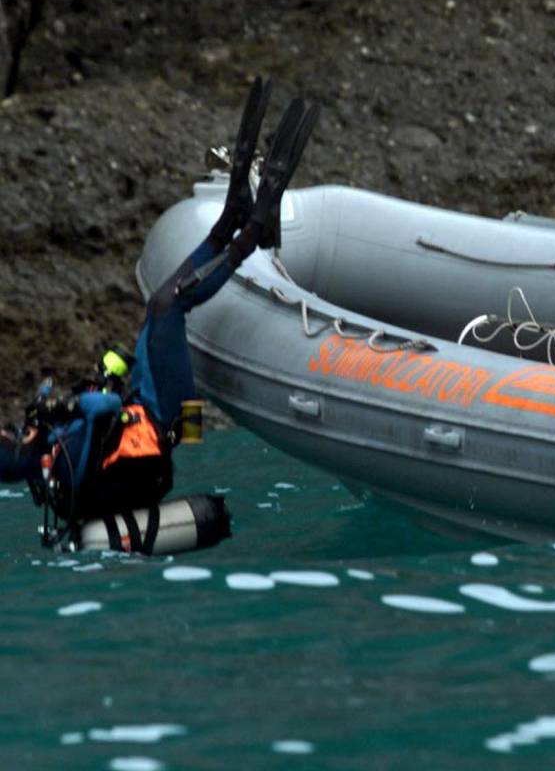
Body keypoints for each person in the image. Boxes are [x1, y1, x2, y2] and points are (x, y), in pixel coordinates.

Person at [0, 78, 319, 545]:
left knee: (161, 305)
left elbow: (110, 393)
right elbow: (103, 408)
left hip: (152, 411)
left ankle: (230, 223)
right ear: (14, 455)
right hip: (169, 420)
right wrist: (67, 406)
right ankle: (245, 238)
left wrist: (93, 382)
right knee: (167, 306)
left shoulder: (47, 446)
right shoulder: (57, 461)